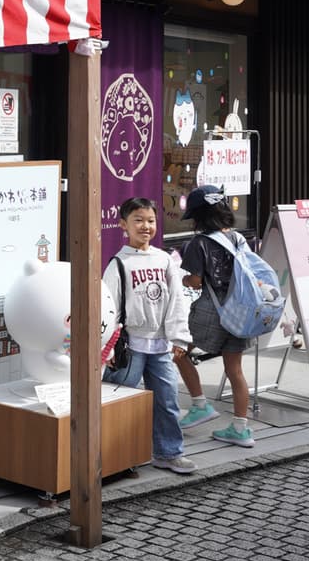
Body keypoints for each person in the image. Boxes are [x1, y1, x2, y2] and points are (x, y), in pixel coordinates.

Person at [103, 198, 196, 473]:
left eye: (151, 220)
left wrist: (179, 338)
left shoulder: (164, 259)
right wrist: (106, 349)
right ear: (123, 225)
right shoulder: (118, 264)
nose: (145, 226)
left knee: (167, 399)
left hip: (160, 345)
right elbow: (108, 308)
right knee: (122, 400)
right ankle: (114, 455)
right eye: (138, 220)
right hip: (130, 346)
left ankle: (168, 453)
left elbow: (177, 301)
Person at [172, 185, 257, 449]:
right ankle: (241, 429)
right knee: (235, 370)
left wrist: (183, 277)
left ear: (200, 217)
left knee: (179, 351)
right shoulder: (238, 239)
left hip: (212, 311)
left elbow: (196, 282)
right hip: (240, 311)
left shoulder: (199, 244)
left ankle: (200, 404)